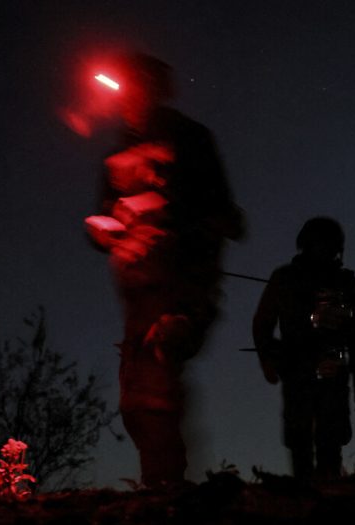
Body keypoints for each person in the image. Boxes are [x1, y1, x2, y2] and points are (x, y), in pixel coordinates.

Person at [85, 53, 244, 487]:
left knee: (158, 375)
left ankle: (166, 487)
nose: (126, 98)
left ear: (154, 89)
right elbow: (103, 214)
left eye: (136, 86)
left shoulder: (190, 139)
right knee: (135, 397)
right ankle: (163, 484)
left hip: (180, 281)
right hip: (136, 287)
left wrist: (181, 232)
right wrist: (104, 229)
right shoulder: (118, 152)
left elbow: (224, 214)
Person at [252, 217, 355, 480]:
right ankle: (303, 492)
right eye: (319, 243)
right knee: (299, 437)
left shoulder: (344, 282)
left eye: (329, 245)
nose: (323, 249)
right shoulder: (285, 278)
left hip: (333, 368)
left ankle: (328, 491)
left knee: (331, 438)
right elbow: (262, 324)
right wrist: (268, 360)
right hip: (297, 366)